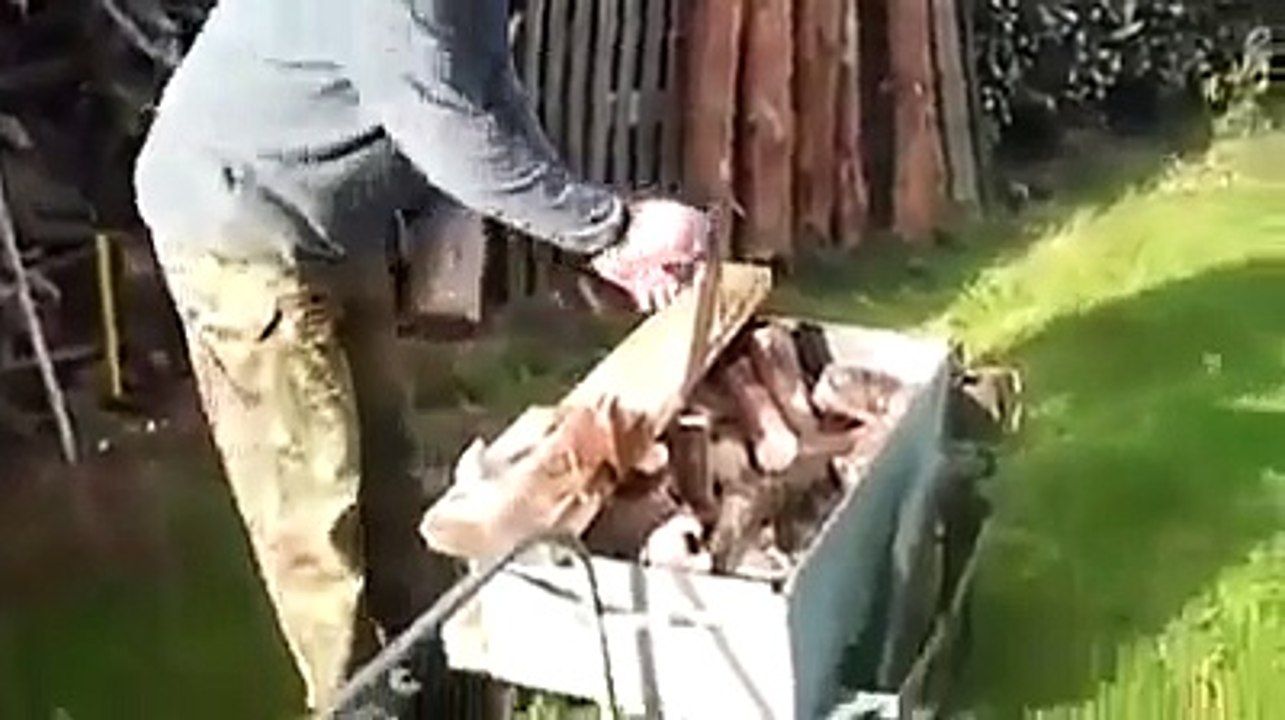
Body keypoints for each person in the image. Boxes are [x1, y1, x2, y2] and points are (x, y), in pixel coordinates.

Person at [130, 0, 708, 715]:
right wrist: (608, 227)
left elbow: (491, 95)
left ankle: (435, 673)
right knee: (313, 505)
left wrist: (604, 242)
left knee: (389, 469)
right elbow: (451, 136)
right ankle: (355, 702)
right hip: (239, 230)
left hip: (328, 226)